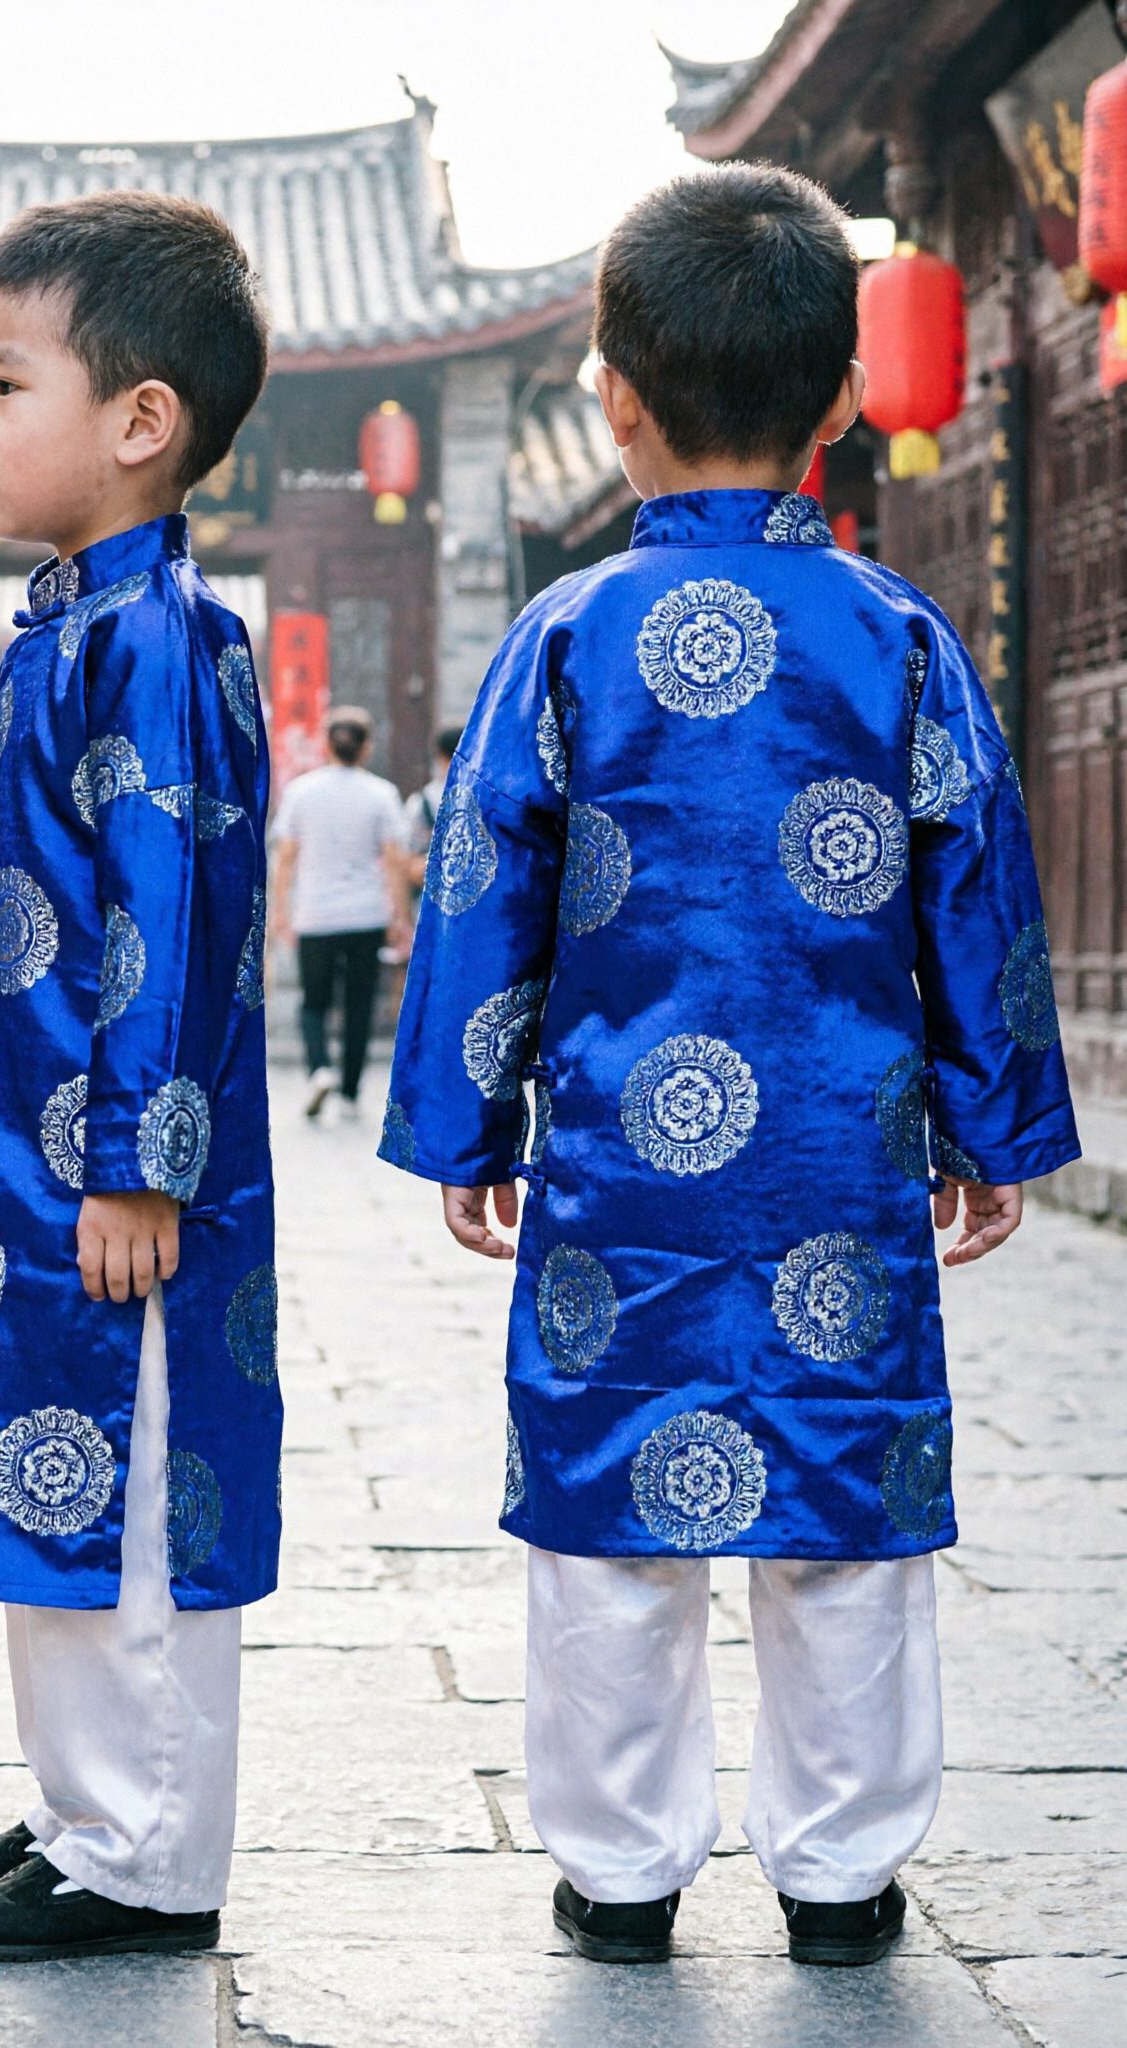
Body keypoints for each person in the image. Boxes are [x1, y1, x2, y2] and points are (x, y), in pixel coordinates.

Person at [382, 164, 1079, 1971]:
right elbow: (976, 897)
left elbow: (484, 900)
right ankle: (839, 1871)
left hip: (622, 1171)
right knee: (838, 1500)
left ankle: (618, 1871)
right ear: (843, 404)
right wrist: (984, 1120)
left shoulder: (555, 641)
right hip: (838, 1168)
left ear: (609, 400)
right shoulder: (901, 639)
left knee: (611, 1504)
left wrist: (470, 1119)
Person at [0, 191, 276, 1963]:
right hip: (32, 1160)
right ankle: (76, 1807)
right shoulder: (74, 624)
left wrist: (137, 1158)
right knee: (52, 1477)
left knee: (126, 1498)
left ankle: (143, 1856)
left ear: (139, 421)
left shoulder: (161, 639)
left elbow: (172, 914)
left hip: (116, 1180)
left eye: (0, 380)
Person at [269, 706, 409, 1118]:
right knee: (359, 1003)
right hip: (366, 915)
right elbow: (394, 862)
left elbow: (286, 858)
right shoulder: (381, 794)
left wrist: (281, 911)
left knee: (314, 1001)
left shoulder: (301, 792)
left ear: (327, 744)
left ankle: (319, 1069)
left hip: (315, 914)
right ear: (366, 747)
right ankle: (349, 1092)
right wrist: (399, 917)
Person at [402, 725, 464, 910]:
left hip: (431, 908)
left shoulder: (422, 801)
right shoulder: (493, 800)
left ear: (439, 756)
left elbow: (408, 863)